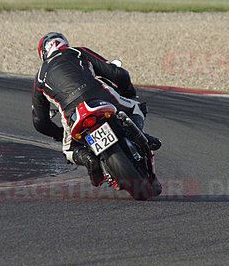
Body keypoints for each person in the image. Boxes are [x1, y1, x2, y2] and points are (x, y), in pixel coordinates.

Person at [32, 32, 160, 187]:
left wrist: (58, 134)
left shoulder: (39, 78)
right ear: (64, 43)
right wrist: (129, 93)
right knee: (136, 107)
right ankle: (141, 136)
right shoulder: (77, 52)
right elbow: (117, 73)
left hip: (71, 110)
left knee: (69, 149)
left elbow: (39, 121)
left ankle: (88, 158)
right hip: (100, 95)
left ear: (43, 54)